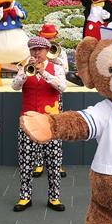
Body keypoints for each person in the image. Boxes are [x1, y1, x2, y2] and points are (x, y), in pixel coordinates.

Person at [11, 36, 67, 212]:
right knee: (26, 160)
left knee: (54, 161)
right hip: (28, 120)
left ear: (47, 51)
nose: (36, 53)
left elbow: (62, 87)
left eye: (39, 50)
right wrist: (24, 73)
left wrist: (43, 72)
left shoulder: (57, 68)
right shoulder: (24, 67)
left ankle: (54, 197)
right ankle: (25, 197)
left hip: (51, 122)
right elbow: (14, 86)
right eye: (33, 50)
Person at [31, 24, 68, 179]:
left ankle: (56, 164)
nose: (49, 40)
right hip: (38, 94)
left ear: (56, 36)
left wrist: (54, 59)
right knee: (37, 129)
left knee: (55, 130)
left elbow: (65, 71)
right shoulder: (36, 52)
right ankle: (39, 163)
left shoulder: (61, 52)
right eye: (46, 37)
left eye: (51, 37)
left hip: (53, 95)